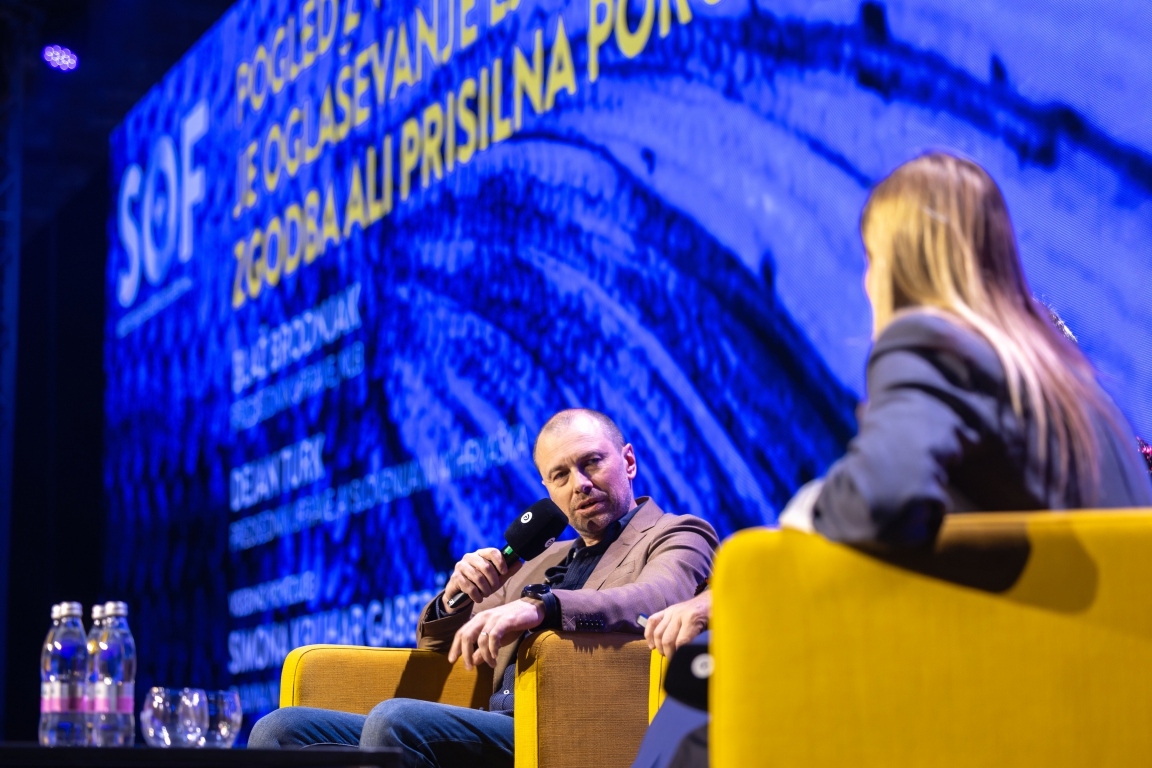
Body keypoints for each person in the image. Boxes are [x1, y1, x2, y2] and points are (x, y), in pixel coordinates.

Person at [631, 151, 1152, 768]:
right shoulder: (1085, 394)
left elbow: (886, 496)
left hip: (976, 707)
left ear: (900, 266)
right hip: (1105, 714)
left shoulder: (932, 341)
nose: (866, 282)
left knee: (701, 695)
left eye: (871, 260)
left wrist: (800, 523)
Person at [249, 408, 718, 768]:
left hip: (578, 725)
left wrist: (543, 607)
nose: (579, 484)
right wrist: (457, 596)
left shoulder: (677, 533)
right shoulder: (543, 558)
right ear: (547, 489)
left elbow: (656, 597)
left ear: (628, 461)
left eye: (591, 462)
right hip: (499, 723)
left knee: (396, 721)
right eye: (560, 475)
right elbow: (442, 651)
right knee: (281, 730)